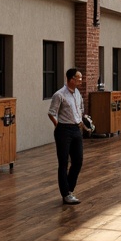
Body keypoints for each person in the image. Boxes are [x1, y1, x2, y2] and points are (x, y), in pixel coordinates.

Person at [47, 67, 85, 205]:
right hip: (63, 130)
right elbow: (51, 112)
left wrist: (81, 121)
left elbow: (80, 108)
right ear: (71, 79)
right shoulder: (59, 95)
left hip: (76, 129)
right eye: (79, 77)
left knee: (78, 161)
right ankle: (66, 194)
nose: (81, 80)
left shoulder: (77, 93)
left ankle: (69, 189)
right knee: (63, 163)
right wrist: (58, 125)